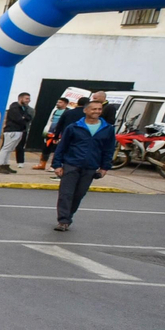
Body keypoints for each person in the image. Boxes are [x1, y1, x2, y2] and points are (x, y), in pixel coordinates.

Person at [51, 97, 116, 232]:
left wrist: (104, 167)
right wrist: (57, 165)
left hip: (90, 167)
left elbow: (109, 149)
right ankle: (63, 220)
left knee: (79, 194)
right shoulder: (74, 127)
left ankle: (68, 216)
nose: (97, 111)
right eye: (94, 109)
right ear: (85, 110)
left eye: (99, 109)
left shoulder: (108, 129)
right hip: (71, 164)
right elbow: (62, 146)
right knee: (65, 194)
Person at [0, 91, 32, 173]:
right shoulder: (14, 107)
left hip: (19, 131)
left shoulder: (24, 108)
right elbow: (18, 119)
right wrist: (24, 118)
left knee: (10, 149)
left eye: (29, 99)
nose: (28, 100)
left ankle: (5, 164)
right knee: (6, 148)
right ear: (20, 98)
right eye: (26, 98)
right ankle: (0, 165)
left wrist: (24, 117)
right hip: (12, 131)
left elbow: (29, 118)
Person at [32, 96, 69, 171]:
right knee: (46, 148)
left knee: (57, 150)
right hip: (50, 133)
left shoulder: (67, 112)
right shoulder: (55, 111)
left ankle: (54, 166)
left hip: (59, 134)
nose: (58, 104)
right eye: (57, 102)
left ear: (65, 104)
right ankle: (42, 164)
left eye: (60, 102)